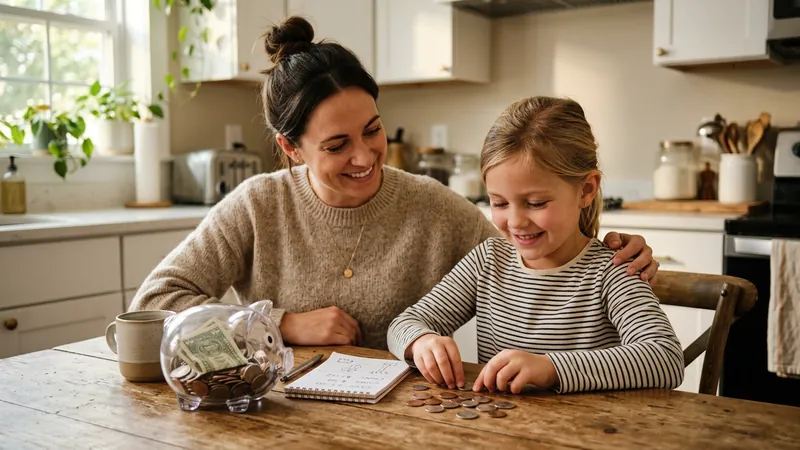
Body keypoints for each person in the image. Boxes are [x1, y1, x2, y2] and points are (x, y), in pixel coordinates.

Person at [130, 17, 661, 352]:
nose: (365, 157)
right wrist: (279, 323)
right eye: (337, 146)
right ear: (292, 149)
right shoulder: (258, 204)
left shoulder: (433, 207)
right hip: (275, 418)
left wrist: (615, 249)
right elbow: (156, 302)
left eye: (373, 130)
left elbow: (531, 260)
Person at [387, 96, 684, 394]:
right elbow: (404, 323)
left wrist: (551, 368)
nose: (515, 221)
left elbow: (665, 358)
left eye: (536, 203)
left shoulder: (613, 270)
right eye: (499, 203)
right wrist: (421, 341)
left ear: (586, 190)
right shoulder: (488, 261)